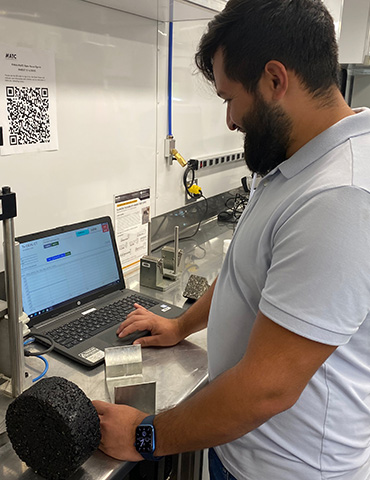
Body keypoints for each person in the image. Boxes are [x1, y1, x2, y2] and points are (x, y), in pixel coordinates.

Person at [93, 1, 370, 478]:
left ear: (275, 80)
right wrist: (181, 326)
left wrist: (146, 435)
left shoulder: (340, 196)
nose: (228, 121)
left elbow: (268, 388)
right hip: (241, 445)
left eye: (228, 98)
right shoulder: (291, 161)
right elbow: (245, 273)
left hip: (285, 468)